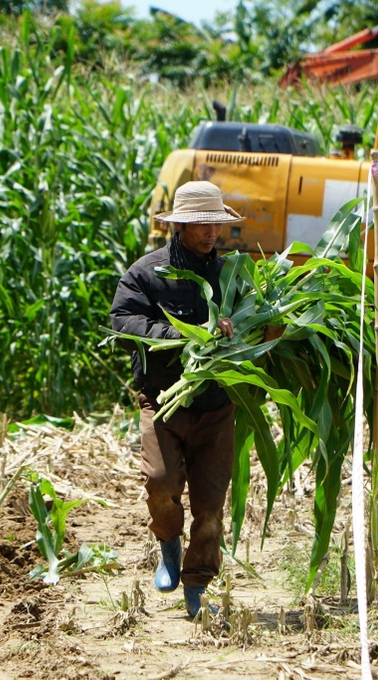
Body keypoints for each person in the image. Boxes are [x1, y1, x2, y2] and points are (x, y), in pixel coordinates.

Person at [110, 181, 242, 618]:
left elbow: (255, 322)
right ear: (180, 225)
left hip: (216, 406)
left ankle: (197, 584)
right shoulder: (147, 273)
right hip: (163, 399)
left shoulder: (232, 276)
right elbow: (122, 321)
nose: (210, 232)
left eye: (216, 224)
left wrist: (257, 331)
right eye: (202, 224)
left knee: (210, 507)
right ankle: (168, 543)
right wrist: (179, 336)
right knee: (160, 483)